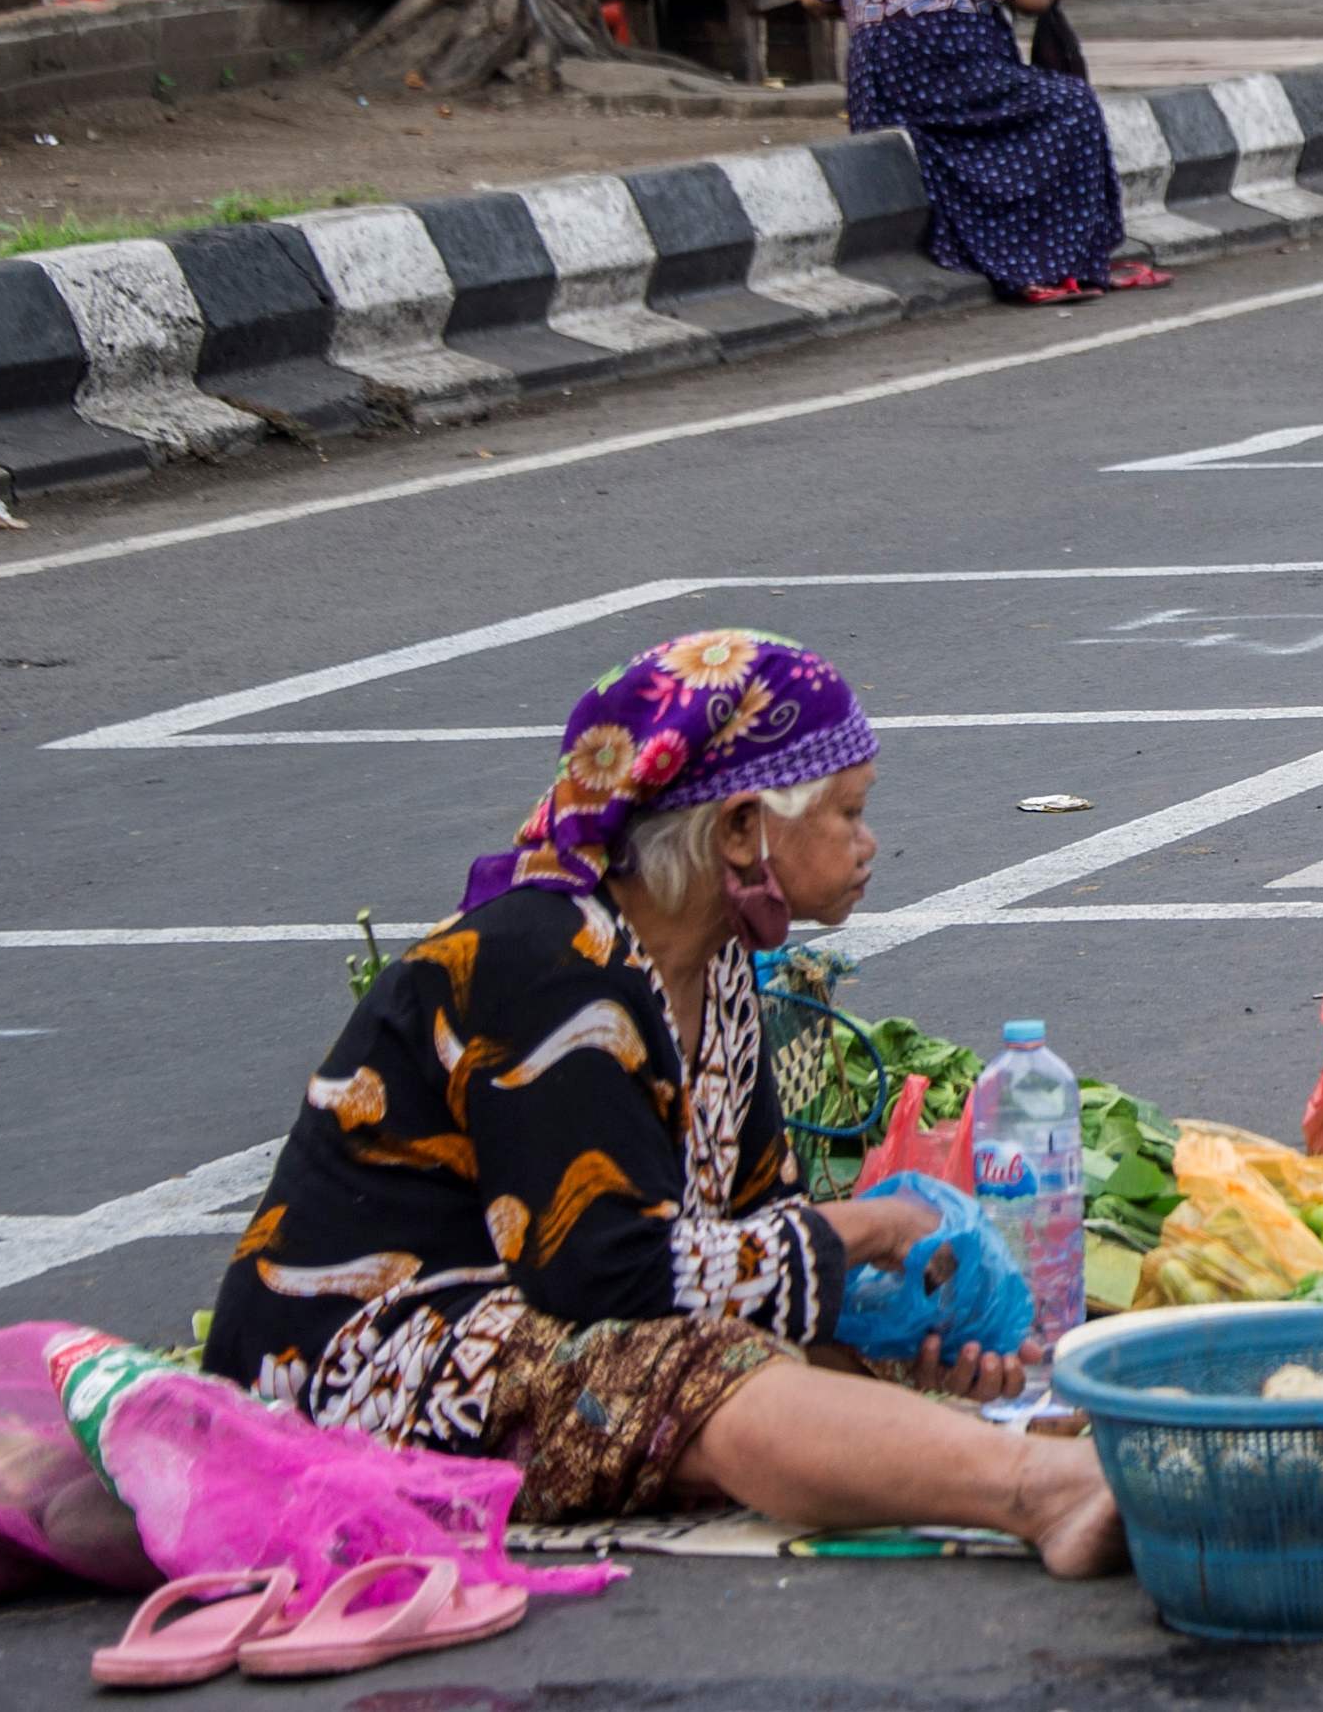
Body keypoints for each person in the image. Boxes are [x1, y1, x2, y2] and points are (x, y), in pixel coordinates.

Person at [201, 632, 1128, 1572]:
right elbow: (607, 1274)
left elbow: (758, 1234)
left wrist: (900, 1333)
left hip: (539, 1325)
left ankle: (1006, 1467)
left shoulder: (719, 970)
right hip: (350, 1366)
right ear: (739, 830)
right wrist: (878, 1227)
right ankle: (1041, 1495)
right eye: (847, 812)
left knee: (789, 1356)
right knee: (694, 1372)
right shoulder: (547, 965)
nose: (867, 841)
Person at [798, 0, 1153, 304]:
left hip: (875, 90)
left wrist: (877, 1)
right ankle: (1053, 260)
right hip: (947, 70)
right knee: (1070, 105)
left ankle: (1021, 256)